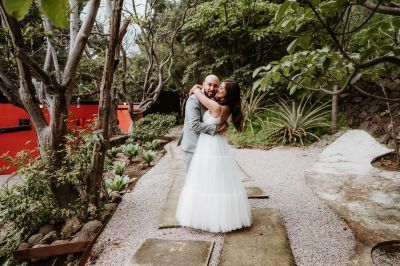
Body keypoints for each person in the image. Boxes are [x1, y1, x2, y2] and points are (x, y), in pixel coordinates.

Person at [176, 80, 252, 233]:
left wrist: (196, 89)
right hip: (207, 144)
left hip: (210, 146)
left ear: (227, 93)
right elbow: (197, 124)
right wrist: (218, 126)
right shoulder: (222, 105)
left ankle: (208, 218)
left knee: (208, 182)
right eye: (213, 85)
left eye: (220, 87)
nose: (216, 89)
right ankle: (209, 215)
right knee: (211, 182)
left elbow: (210, 108)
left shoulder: (216, 106)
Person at [178, 74, 227, 171]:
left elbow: (216, 116)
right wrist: (216, 128)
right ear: (203, 84)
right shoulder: (193, 100)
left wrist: (224, 123)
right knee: (193, 181)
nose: (212, 88)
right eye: (209, 85)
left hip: (206, 147)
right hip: (192, 147)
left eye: (216, 85)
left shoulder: (214, 98)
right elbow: (195, 125)